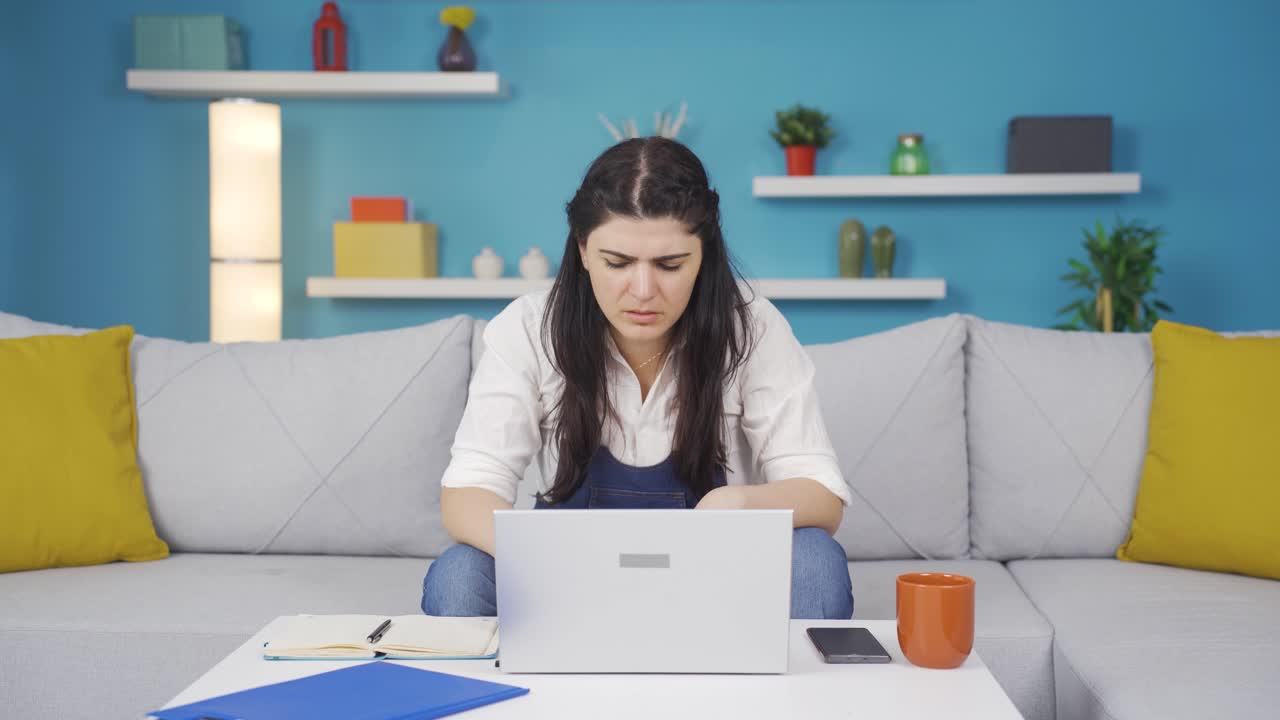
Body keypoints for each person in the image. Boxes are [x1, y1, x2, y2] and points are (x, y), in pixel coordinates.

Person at [421, 137, 854, 619]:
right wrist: (550, 559)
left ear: (704, 255)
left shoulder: (754, 328)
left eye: (670, 265)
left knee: (816, 560)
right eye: (618, 263)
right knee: (458, 575)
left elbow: (822, 497)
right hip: (565, 584)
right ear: (583, 250)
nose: (644, 291)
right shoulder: (527, 328)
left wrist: (738, 504)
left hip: (716, 587)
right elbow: (465, 496)